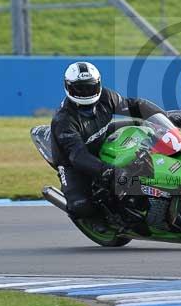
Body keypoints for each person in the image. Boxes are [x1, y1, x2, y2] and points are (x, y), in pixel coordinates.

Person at [50, 61, 166, 217]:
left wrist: (165, 119)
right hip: (72, 162)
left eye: (89, 87)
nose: (85, 92)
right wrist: (108, 171)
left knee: (143, 127)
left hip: (102, 136)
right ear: (68, 87)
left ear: (98, 84)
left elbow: (135, 105)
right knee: (81, 207)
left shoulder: (106, 96)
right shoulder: (64, 120)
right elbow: (78, 156)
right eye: (80, 88)